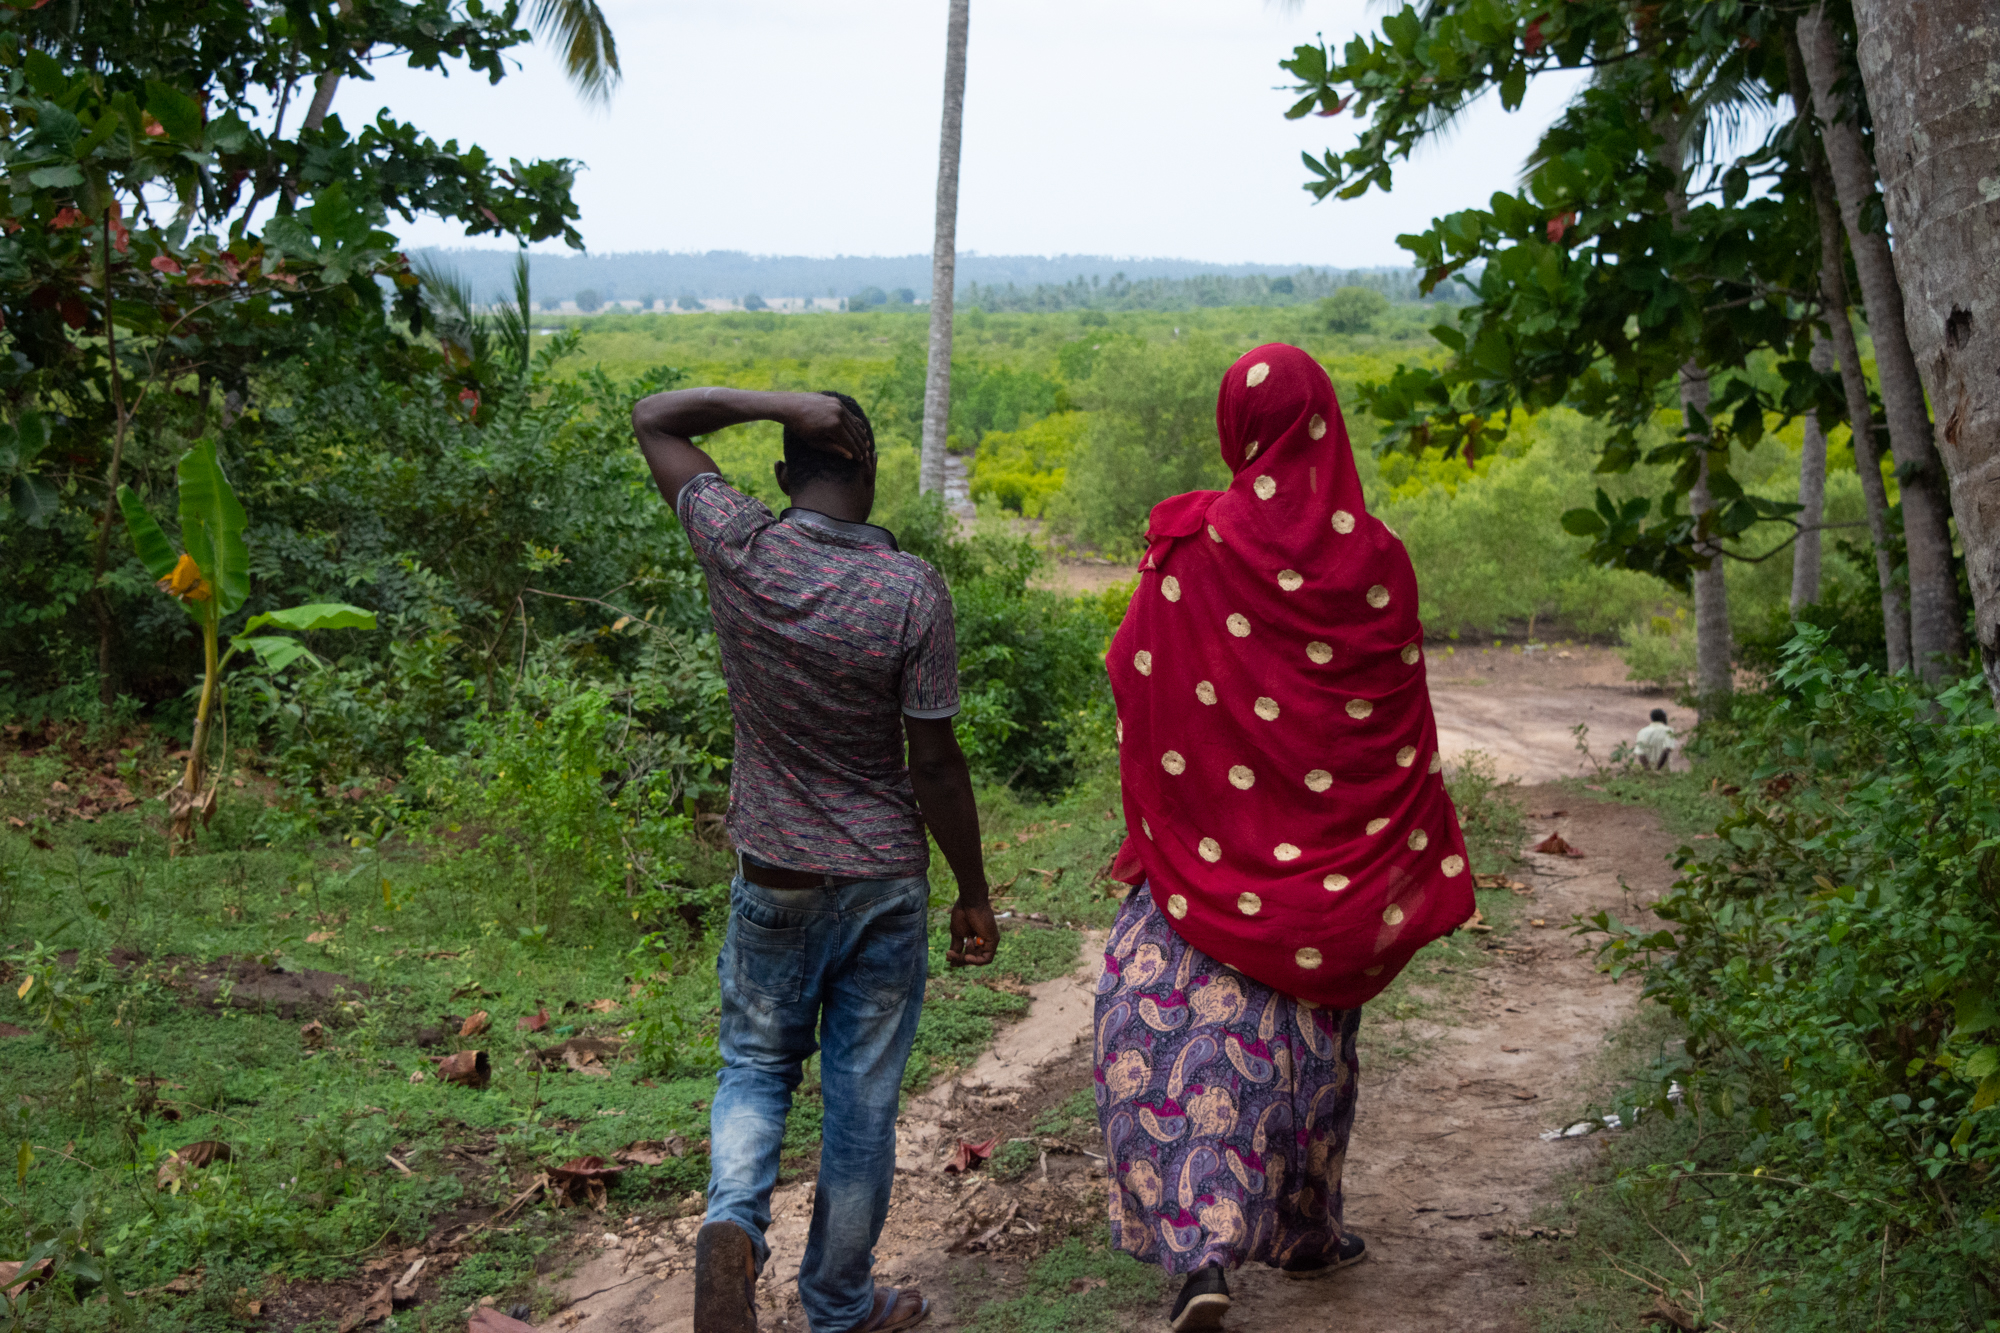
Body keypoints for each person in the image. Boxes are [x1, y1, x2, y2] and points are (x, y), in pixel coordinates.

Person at [1097, 345, 1473, 1332]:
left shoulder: (1190, 544)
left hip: (1205, 857)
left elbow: (1132, 664)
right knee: (1311, 1044)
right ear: (1324, 421)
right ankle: (1305, 1227)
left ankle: (1202, 1254)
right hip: (1330, 872)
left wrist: (1184, 785)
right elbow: (1388, 716)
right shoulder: (1378, 560)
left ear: (1239, 427)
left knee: (1183, 1036)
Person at [631, 386, 998, 1333]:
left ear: (786, 475)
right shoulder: (912, 589)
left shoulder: (742, 546)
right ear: (871, 476)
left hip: (775, 879)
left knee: (754, 1065)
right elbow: (936, 763)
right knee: (861, 1107)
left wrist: (776, 401)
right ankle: (837, 1305)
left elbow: (654, 418)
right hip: (882, 882)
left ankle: (732, 1224)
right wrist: (974, 892)